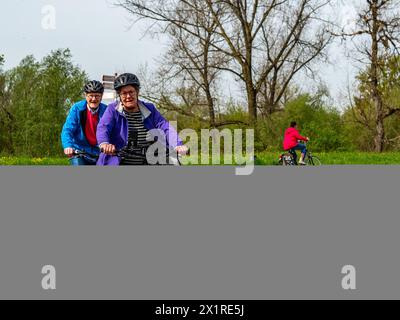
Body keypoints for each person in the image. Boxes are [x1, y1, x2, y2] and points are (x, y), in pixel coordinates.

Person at [96, 73, 187, 166]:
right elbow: (103, 127)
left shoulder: (149, 109)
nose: (128, 96)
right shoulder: (113, 109)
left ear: (137, 92)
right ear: (119, 95)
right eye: (124, 93)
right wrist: (104, 143)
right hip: (119, 161)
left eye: (131, 92)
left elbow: (165, 127)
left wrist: (177, 144)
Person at [61, 80, 107, 165]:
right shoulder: (77, 108)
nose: (93, 99)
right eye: (91, 96)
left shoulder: (106, 111)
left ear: (101, 96)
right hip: (79, 151)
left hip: (99, 152)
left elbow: (113, 131)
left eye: (97, 96)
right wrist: (68, 146)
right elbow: (67, 130)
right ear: (85, 96)